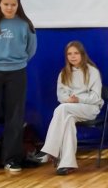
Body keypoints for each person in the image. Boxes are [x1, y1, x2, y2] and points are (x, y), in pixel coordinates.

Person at [34, 41, 103, 175]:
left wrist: (78, 99)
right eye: (69, 54)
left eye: (76, 53)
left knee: (62, 109)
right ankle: (67, 164)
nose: (73, 56)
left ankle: (48, 151)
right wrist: (69, 100)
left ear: (82, 54)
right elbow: (61, 96)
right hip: (70, 108)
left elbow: (96, 97)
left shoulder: (92, 71)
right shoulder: (64, 73)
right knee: (68, 120)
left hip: (89, 108)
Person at [0, 0, 37, 174]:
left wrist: (17, 62)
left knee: (15, 117)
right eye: (6, 4)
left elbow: (31, 49)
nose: (9, 8)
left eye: (13, 5)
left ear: (18, 5)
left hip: (16, 73)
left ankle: (11, 159)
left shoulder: (25, 24)